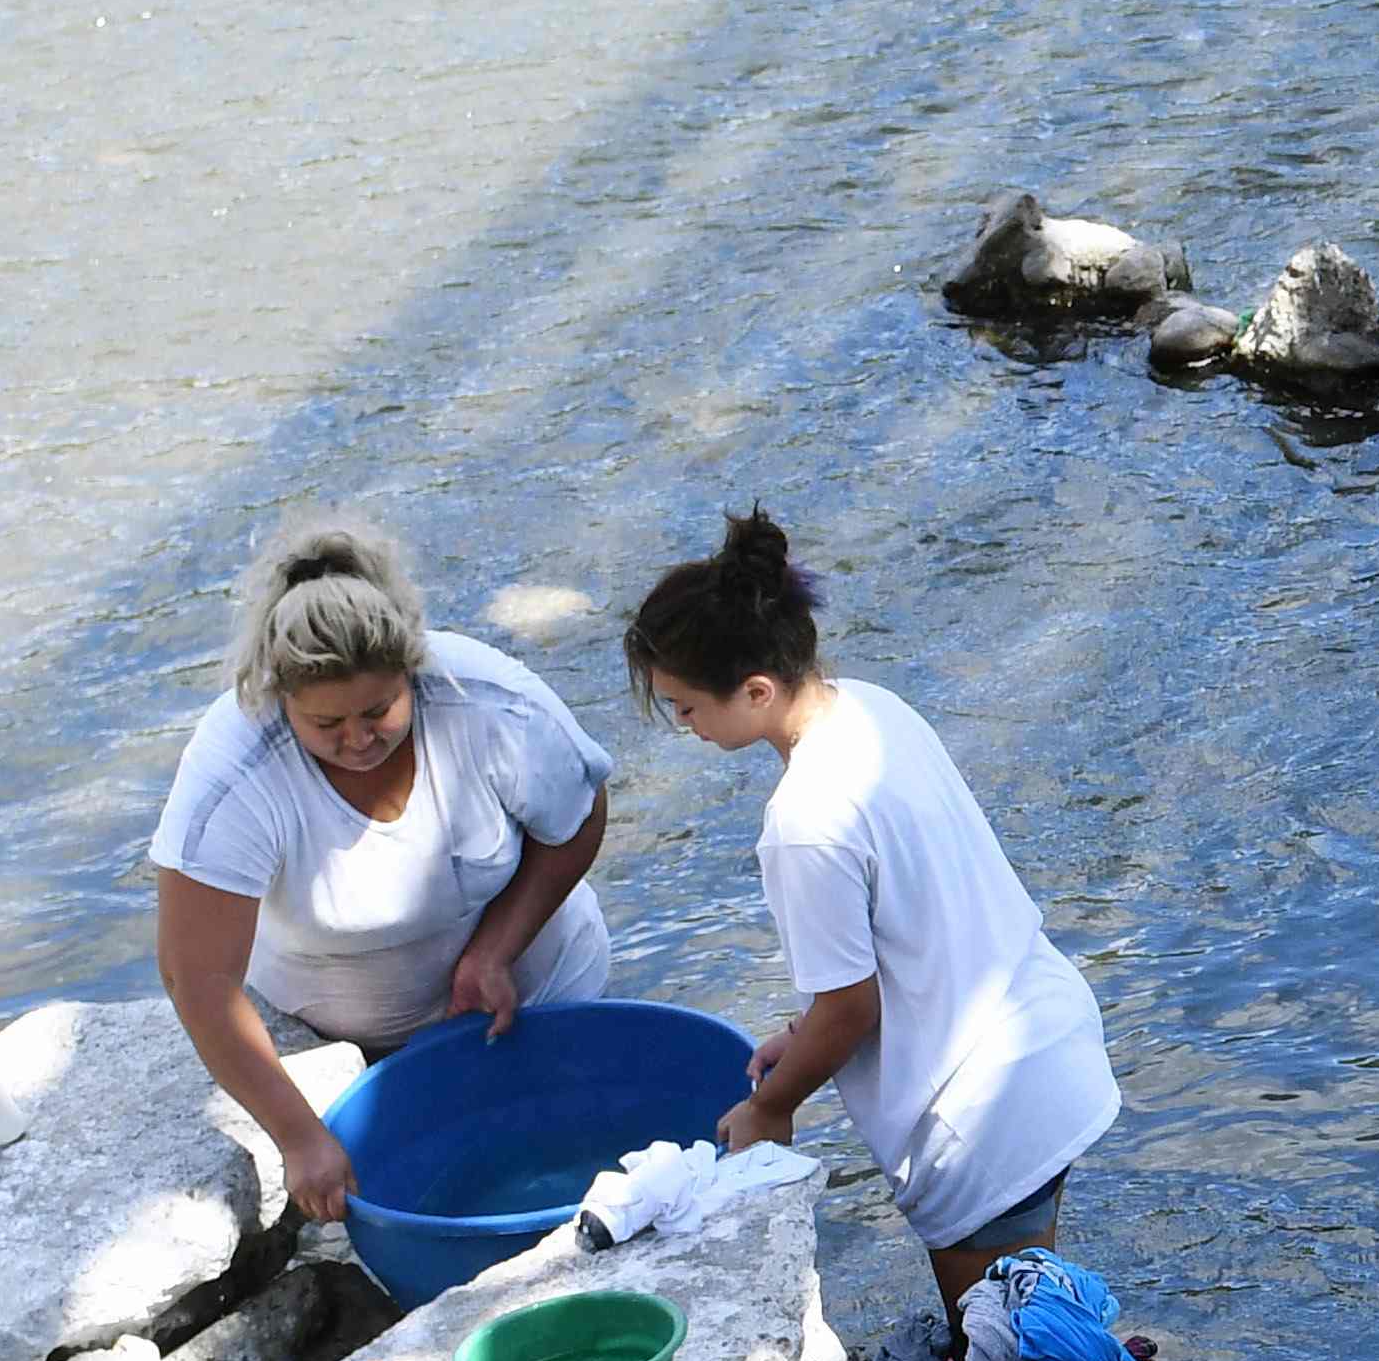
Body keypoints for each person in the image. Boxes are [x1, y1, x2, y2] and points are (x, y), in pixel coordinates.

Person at [622, 517, 1119, 1315]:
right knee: (1041, 1324)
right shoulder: (872, 711)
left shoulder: (803, 823)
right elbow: (911, 926)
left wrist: (769, 1107)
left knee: (1000, 1355)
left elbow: (853, 1007)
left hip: (981, 1116)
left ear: (756, 691)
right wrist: (802, 1037)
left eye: (685, 710)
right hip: (1046, 1043)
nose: (685, 730)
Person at [150, 519, 619, 1222]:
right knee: (428, 1207)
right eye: (325, 724)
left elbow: (578, 815)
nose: (358, 739)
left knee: (575, 1176)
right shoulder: (235, 774)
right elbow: (198, 979)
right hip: (347, 1049)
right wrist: (300, 1136)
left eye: (379, 710)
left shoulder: (487, 701)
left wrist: (495, 949)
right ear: (281, 701)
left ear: (412, 670)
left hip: (534, 994)